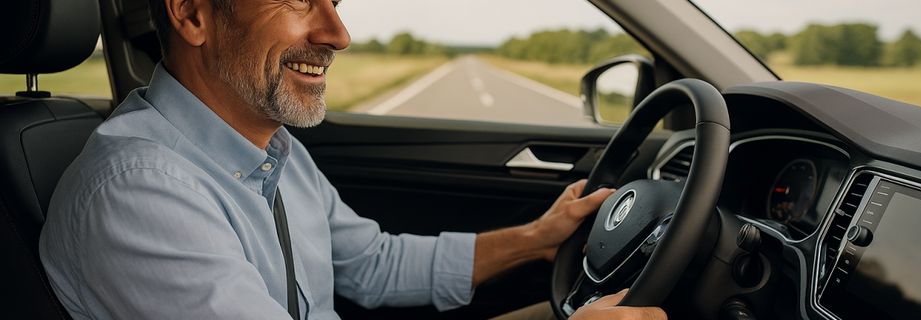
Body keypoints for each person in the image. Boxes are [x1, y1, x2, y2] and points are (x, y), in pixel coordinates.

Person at [38, 0, 667, 319]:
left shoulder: (273, 148)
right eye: (297, 0)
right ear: (192, 13)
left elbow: (374, 263)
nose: (338, 33)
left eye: (336, 1)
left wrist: (535, 239)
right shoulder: (139, 189)